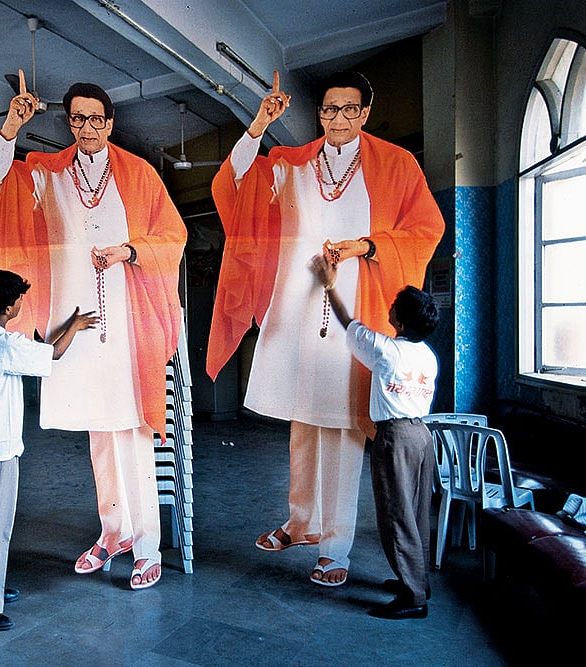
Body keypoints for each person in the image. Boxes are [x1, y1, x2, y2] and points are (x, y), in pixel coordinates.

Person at [208, 71, 444, 586]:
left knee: (341, 428)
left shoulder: (396, 164)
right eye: (329, 110)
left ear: (363, 113)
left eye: (348, 110)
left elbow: (427, 228)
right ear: (320, 115)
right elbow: (233, 188)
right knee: (303, 422)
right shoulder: (293, 162)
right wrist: (259, 125)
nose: (337, 118)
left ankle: (335, 548)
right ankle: (301, 523)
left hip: (355, 306)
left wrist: (367, 246)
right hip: (296, 308)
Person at [0, 73, 186, 590]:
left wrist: (130, 252)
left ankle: (147, 548)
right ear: (68, 123)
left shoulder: (139, 174)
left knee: (132, 437)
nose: (87, 126)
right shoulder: (45, 173)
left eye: (96, 118)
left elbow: (172, 235)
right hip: (77, 329)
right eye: (77, 118)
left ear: (111, 122)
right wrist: (10, 129)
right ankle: (114, 533)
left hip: (127, 329)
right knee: (98, 437)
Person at [0, 269, 98, 631]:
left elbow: (36, 351)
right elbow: (52, 354)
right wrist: (77, 326)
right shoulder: (6, 345)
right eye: (19, 297)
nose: (22, 302)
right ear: (9, 305)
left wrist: (65, 325)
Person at [310, 256, 439, 619]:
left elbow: (348, 323)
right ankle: (417, 581)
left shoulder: (385, 350)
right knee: (415, 512)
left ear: (400, 319)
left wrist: (330, 283)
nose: (390, 308)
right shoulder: (427, 357)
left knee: (396, 516)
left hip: (395, 438)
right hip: (422, 437)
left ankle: (413, 599)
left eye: (395, 307)